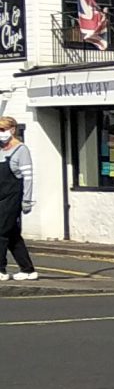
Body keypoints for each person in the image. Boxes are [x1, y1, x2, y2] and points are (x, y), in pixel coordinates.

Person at [0, 116, 38, 280]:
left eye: (2, 129)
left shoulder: (21, 150)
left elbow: (28, 177)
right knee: (12, 234)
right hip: (1, 196)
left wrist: (27, 201)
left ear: (12, 130)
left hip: (13, 197)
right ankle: (28, 270)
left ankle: (1, 270)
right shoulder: (1, 149)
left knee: (1, 232)